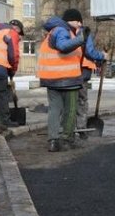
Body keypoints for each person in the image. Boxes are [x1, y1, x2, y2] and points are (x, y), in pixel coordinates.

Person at [37, 8, 89, 152]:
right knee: (70, 109)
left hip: (52, 78)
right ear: (70, 20)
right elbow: (62, 46)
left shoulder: (54, 31)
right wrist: (80, 39)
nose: (79, 24)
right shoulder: (62, 30)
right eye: (78, 21)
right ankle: (67, 139)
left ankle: (53, 140)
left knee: (54, 109)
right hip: (68, 79)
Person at [75, 32, 107, 140]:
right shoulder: (84, 33)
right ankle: (81, 129)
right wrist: (102, 55)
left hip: (68, 73)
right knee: (81, 101)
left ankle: (67, 131)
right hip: (81, 72)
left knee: (69, 102)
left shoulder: (65, 32)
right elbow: (89, 51)